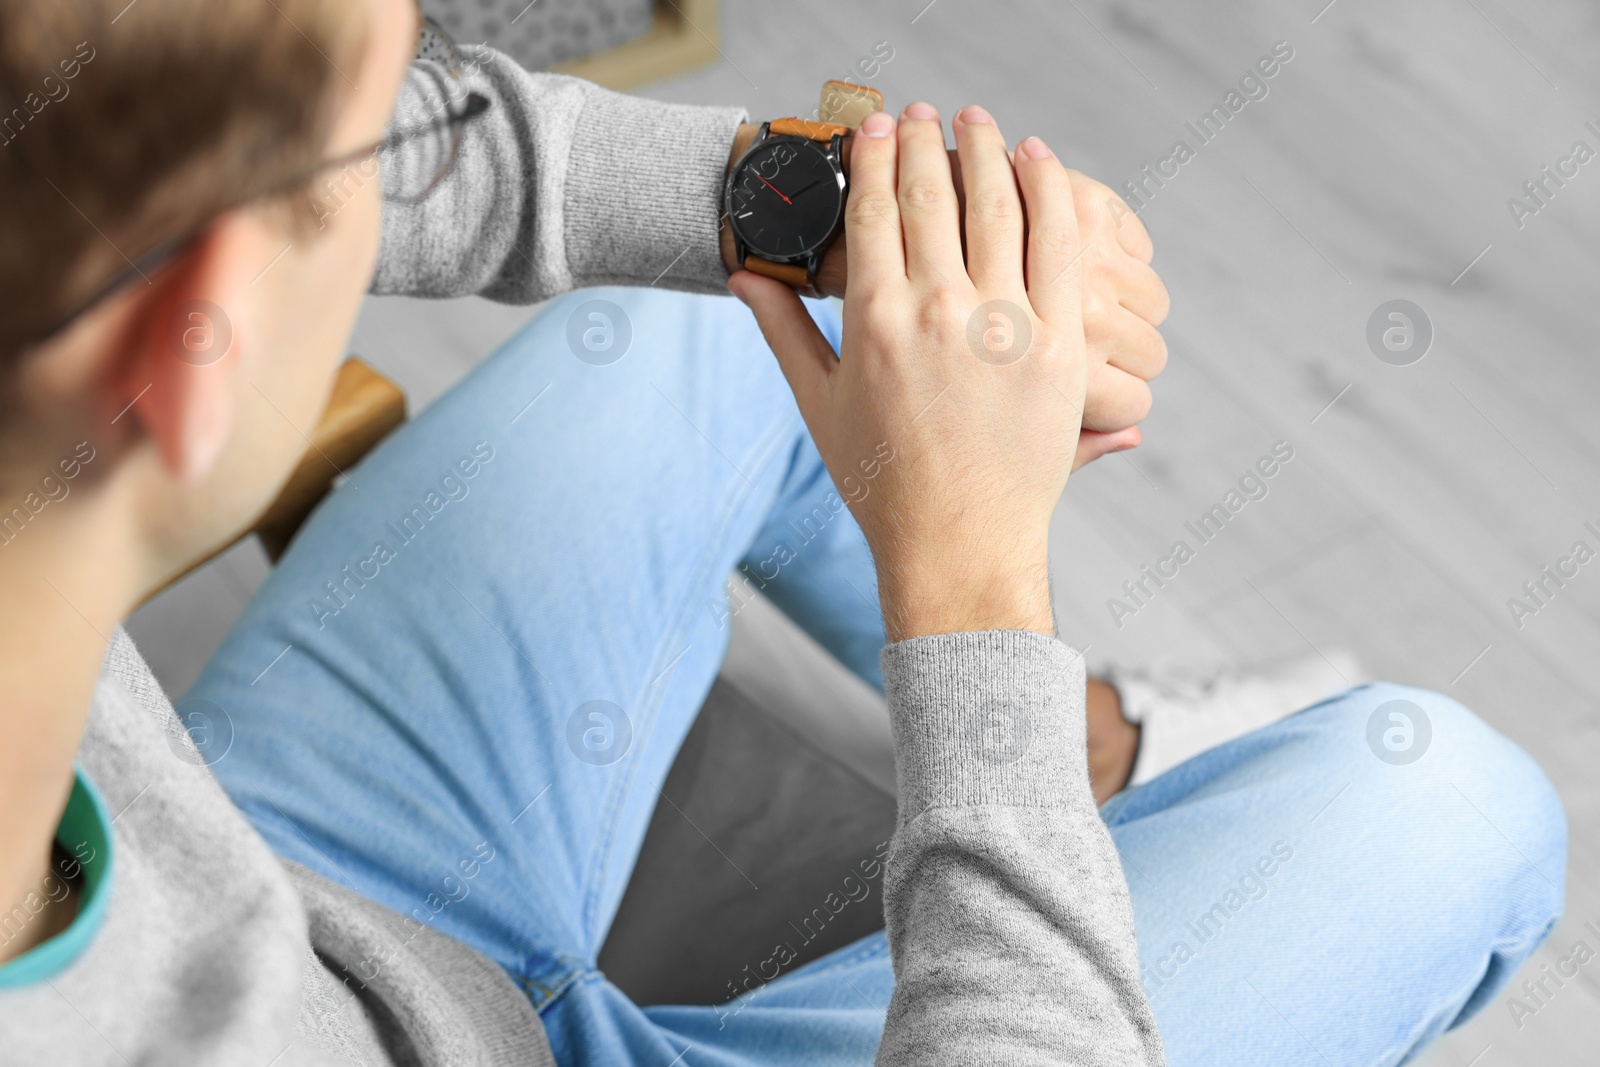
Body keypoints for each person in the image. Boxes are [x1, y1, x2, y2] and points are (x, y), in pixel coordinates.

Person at [0, 0, 1565, 1064]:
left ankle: (1094, 751)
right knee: (1454, 808)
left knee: (723, 326)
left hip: (287, 893)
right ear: (184, 340)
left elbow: (358, 146)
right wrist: (970, 585)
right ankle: (1041, 766)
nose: (389, 162)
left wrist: (817, 208)